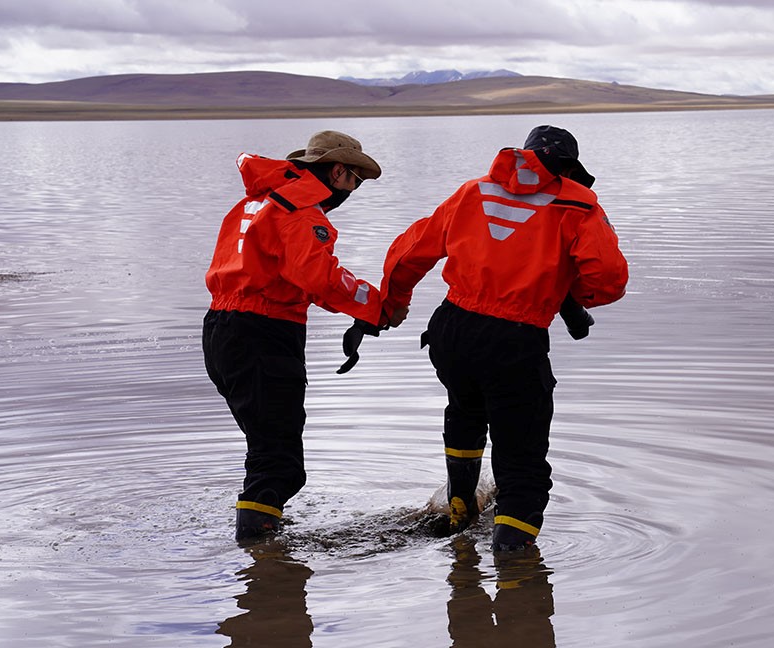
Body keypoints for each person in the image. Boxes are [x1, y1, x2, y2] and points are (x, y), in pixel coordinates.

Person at [380, 125, 628, 552]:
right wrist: (567, 292)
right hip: (515, 338)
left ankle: (460, 510)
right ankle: (515, 571)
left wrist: (394, 302)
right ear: (568, 169)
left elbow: (409, 251)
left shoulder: (472, 191)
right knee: (522, 458)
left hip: (451, 329)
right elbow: (607, 281)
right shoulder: (578, 202)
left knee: (465, 413)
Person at [203, 130, 405, 544]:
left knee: (267, 449)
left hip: (223, 331)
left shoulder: (256, 203)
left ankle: (263, 543)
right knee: (279, 463)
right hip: (262, 336)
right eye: (355, 179)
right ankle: (260, 558)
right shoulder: (301, 212)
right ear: (336, 171)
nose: (355, 189)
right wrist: (376, 306)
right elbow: (319, 278)